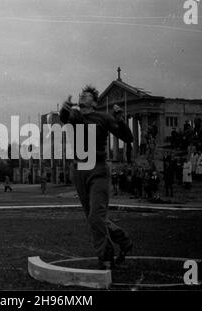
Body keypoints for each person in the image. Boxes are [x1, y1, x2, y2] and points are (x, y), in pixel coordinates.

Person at [59, 85, 133, 270]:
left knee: (96, 216)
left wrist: (120, 119)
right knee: (93, 217)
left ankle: (105, 258)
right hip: (79, 170)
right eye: (81, 94)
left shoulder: (104, 118)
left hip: (98, 169)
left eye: (87, 95)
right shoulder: (76, 115)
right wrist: (65, 107)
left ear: (94, 101)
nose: (82, 95)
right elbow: (64, 117)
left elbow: (128, 138)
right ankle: (122, 240)